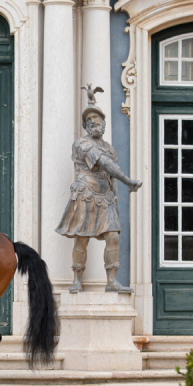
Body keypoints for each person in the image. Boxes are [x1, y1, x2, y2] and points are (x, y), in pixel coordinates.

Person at [56, 99, 142, 293]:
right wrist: (128, 180)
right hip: (86, 193)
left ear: (104, 123)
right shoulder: (82, 143)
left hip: (106, 196)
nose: (94, 122)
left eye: (97, 119)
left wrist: (117, 196)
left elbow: (111, 175)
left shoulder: (110, 148)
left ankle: (112, 281)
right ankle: (77, 280)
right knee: (82, 239)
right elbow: (104, 163)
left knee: (113, 237)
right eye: (89, 120)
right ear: (86, 126)